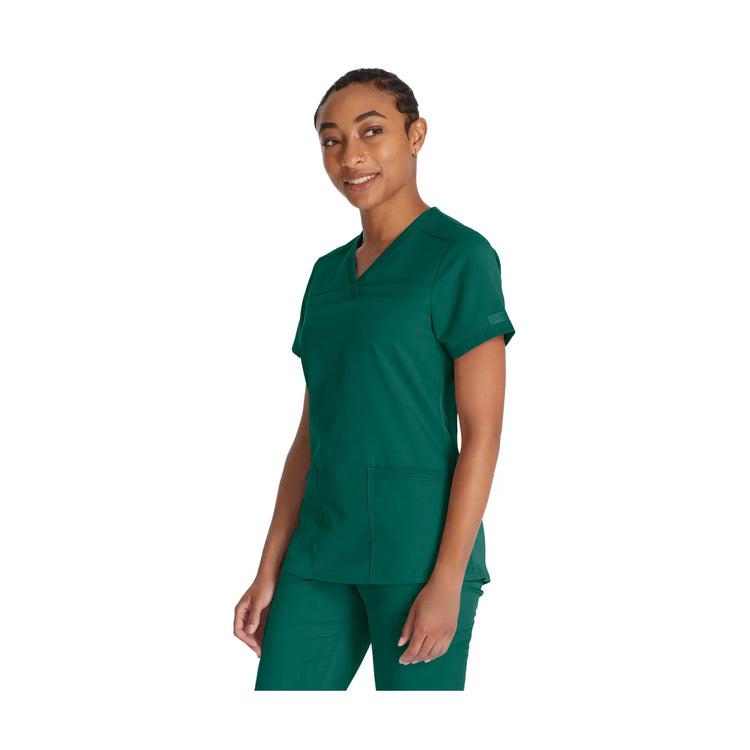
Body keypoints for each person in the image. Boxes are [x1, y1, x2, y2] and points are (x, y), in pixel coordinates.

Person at [233, 68, 516, 690]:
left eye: (371, 131)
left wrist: (448, 580)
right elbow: (310, 437)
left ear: (416, 135)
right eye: (331, 140)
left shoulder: (460, 257)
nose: (350, 156)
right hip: (319, 552)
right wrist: (269, 567)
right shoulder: (325, 276)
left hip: (418, 555)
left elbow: (483, 435)